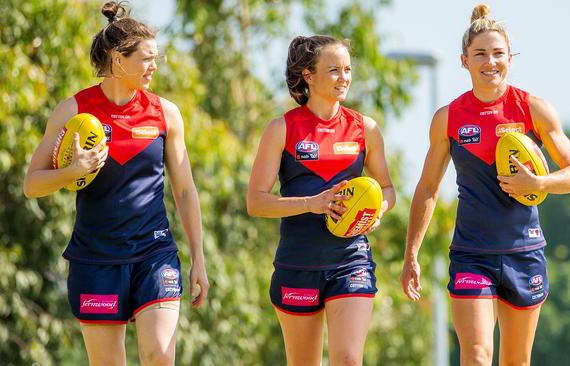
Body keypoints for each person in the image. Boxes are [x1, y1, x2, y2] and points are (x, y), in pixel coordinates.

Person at [23, 2, 209, 365]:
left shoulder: (165, 113)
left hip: (154, 254)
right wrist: (69, 172)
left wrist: (198, 257)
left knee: (158, 354)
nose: (155, 66)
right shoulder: (73, 111)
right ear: (117, 59)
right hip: (96, 259)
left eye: (157, 58)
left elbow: (185, 191)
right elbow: (32, 184)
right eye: (147, 58)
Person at [400, 4, 570, 366]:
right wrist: (412, 254)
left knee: (515, 361)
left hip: (524, 252)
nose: (490, 62)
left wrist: (539, 182)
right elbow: (426, 189)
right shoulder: (448, 118)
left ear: (510, 59)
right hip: (472, 253)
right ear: (464, 61)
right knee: (477, 355)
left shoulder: (533, 108)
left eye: (498, 54)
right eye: (480, 54)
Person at [247, 35, 396, 365]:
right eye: (334, 70)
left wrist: (378, 210)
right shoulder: (281, 129)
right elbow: (256, 202)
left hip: (350, 260)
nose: (344, 78)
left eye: (347, 69)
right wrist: (311, 203)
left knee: (347, 359)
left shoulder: (365, 129)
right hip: (297, 262)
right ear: (308, 76)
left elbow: (387, 189)